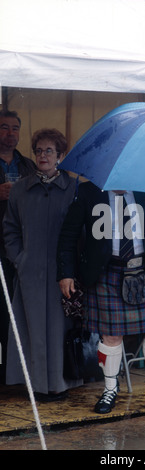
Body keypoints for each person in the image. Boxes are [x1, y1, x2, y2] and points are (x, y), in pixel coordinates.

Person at [57, 185, 145, 414]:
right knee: (111, 336)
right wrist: (65, 273)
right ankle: (110, 389)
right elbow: (68, 235)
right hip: (107, 270)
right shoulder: (89, 193)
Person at [3, 128, 82, 401]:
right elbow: (10, 230)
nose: (42, 155)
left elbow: (81, 232)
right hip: (31, 272)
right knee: (31, 328)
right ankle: (35, 385)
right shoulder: (20, 190)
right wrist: (20, 259)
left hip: (63, 274)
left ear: (60, 155)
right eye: (38, 150)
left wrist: (72, 268)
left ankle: (60, 383)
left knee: (60, 328)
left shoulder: (74, 189)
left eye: (49, 151)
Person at [0, 110, 36, 384]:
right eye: (4, 127)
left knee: (14, 309)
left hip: (18, 246)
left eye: (14, 128)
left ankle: (13, 371)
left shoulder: (26, 165)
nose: (10, 134)